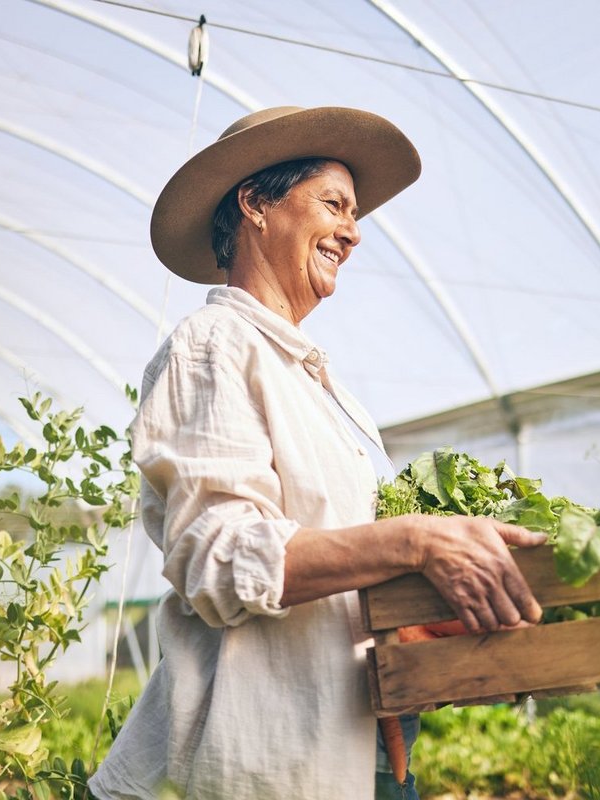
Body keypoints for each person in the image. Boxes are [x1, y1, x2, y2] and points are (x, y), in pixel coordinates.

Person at [89, 106, 546, 800]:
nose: (354, 233)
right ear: (255, 203)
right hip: (262, 763)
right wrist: (418, 540)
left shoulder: (323, 388)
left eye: (355, 214)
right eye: (334, 204)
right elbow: (220, 556)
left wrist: (420, 635)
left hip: (360, 755)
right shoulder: (215, 345)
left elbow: (339, 579)